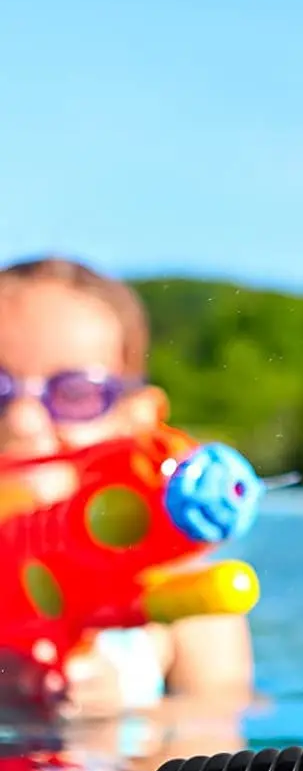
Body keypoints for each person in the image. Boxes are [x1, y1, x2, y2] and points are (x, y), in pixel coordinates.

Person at [0, 256, 255, 719]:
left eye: (74, 393)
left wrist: (126, 715)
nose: (21, 421)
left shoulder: (186, 599)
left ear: (137, 420)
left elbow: (216, 739)